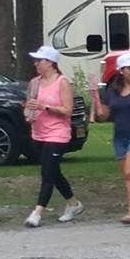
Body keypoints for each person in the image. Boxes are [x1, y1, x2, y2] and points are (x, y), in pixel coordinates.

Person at [23, 45, 84, 227]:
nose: (36, 64)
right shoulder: (35, 82)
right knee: (53, 171)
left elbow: (67, 110)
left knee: (47, 173)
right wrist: (28, 111)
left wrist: (45, 107)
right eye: (35, 61)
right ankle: (73, 203)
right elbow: (29, 103)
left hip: (57, 133)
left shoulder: (62, 82)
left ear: (50, 63)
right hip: (38, 132)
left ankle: (37, 212)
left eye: (39, 61)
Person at [92, 52, 130, 224]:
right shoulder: (112, 91)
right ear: (121, 70)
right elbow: (103, 115)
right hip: (120, 137)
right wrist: (95, 97)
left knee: (129, 171)